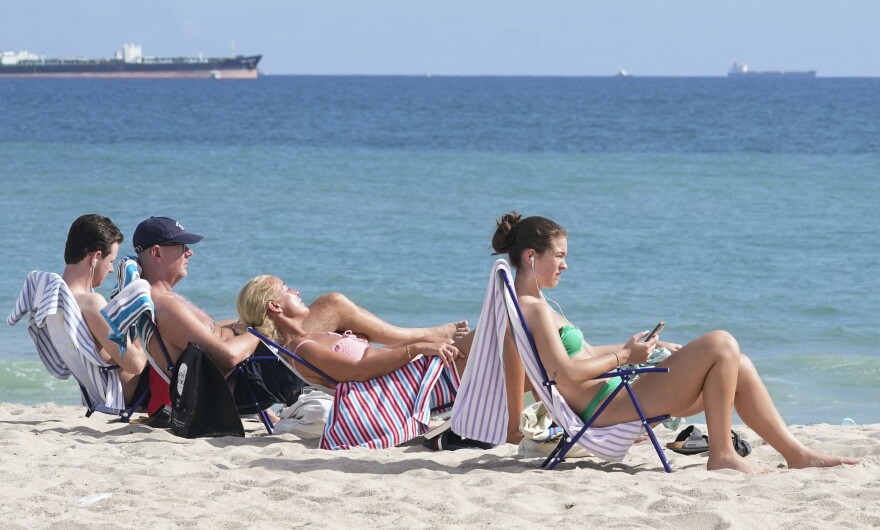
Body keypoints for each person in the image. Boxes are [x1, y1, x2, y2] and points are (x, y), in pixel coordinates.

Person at [491, 211, 860, 473]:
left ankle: (795, 453)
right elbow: (568, 375)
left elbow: (577, 357)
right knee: (721, 343)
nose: (565, 265)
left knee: (738, 365)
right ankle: (722, 454)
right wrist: (624, 355)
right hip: (609, 405)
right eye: (559, 255)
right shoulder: (535, 311)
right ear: (530, 256)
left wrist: (642, 347)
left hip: (616, 395)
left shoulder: (534, 307)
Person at [134, 216, 468, 412]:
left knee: (342, 329)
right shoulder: (168, 304)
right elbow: (225, 357)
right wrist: (255, 329)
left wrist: (235, 325)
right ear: (157, 253)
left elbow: (209, 335)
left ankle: (418, 343)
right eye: (181, 247)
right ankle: (421, 338)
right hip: (249, 383)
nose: (189, 252)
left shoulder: (164, 300)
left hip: (247, 376)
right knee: (333, 305)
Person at [236, 275, 469, 389]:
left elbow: (371, 359)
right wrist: (417, 347)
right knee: (495, 336)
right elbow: (359, 372)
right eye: (287, 289)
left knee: (495, 336)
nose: (296, 291)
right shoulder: (302, 348)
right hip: (416, 383)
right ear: (275, 306)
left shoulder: (308, 340)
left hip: (418, 371)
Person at [62, 214, 147, 403]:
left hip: (94, 391)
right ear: (96, 257)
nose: (111, 270)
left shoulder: (58, 298)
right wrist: (148, 325)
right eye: (111, 261)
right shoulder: (91, 303)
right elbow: (136, 364)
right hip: (128, 392)